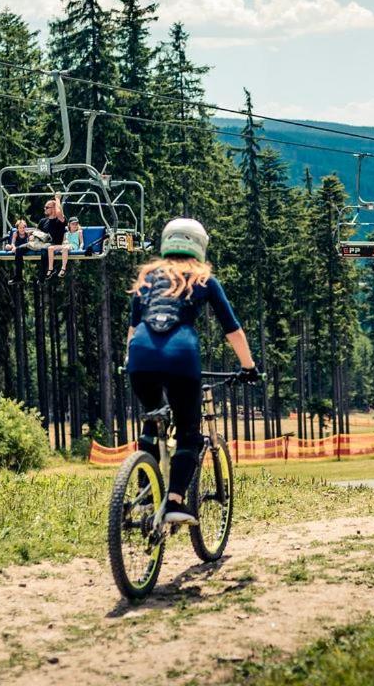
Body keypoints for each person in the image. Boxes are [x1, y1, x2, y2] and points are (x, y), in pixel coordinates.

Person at [126, 217, 260, 525]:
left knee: (152, 418)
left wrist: (128, 361)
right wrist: (248, 367)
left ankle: (144, 492)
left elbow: (133, 330)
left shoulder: (146, 276)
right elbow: (233, 330)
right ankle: (174, 500)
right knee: (188, 432)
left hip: (141, 357)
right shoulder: (204, 279)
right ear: (199, 246)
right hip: (181, 357)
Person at [38, 196, 67, 279]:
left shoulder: (60, 220)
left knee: (44, 249)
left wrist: (57, 199)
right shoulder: (42, 221)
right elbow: (37, 232)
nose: (45, 209)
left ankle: (43, 275)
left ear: (54, 208)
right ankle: (18, 276)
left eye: (47, 207)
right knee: (20, 249)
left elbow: (59, 213)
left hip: (54, 245)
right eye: (44, 207)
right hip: (42, 243)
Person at [4, 219, 31, 285]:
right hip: (18, 249)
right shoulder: (15, 233)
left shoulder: (27, 233)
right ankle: (19, 277)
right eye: (20, 228)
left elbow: (30, 243)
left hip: (26, 247)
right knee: (17, 253)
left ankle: (18, 277)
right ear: (17, 228)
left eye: (23, 227)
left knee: (18, 251)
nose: (22, 229)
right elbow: (13, 243)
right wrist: (13, 247)